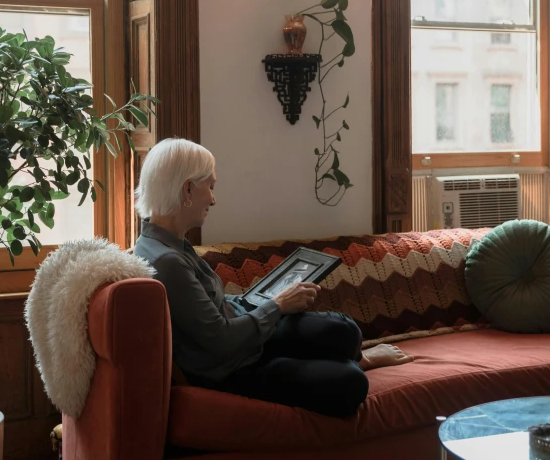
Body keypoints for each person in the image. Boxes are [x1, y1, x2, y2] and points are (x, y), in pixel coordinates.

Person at [133, 138, 413, 418]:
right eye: (211, 186)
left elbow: (204, 307)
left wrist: (256, 298)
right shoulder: (167, 262)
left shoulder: (162, 243)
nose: (214, 199)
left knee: (344, 330)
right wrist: (276, 306)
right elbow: (221, 340)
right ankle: (352, 363)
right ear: (188, 189)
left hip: (241, 340)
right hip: (234, 366)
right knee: (351, 382)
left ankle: (352, 357)